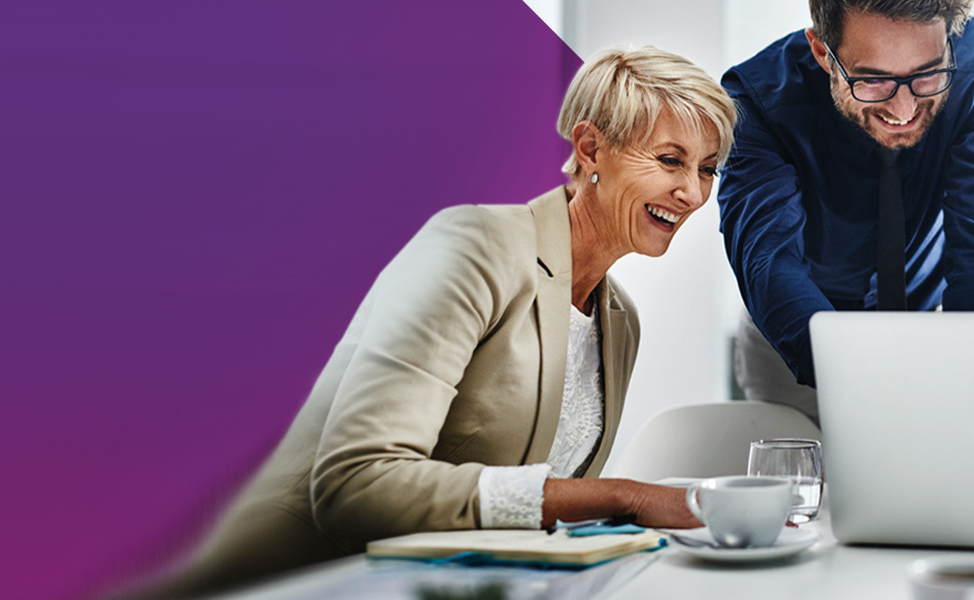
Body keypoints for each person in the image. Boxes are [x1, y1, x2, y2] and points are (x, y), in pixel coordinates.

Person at [136, 46, 738, 598]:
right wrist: (622, 498)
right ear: (589, 149)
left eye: (708, 170)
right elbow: (357, 484)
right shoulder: (475, 245)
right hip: (305, 582)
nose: (691, 192)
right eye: (669, 160)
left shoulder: (619, 319)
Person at [718, 0, 974, 422]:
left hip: (933, 328)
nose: (903, 110)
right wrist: (862, 377)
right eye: (873, 80)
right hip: (794, 340)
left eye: (928, 73)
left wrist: (965, 373)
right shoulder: (754, 99)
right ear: (823, 52)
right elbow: (769, 262)